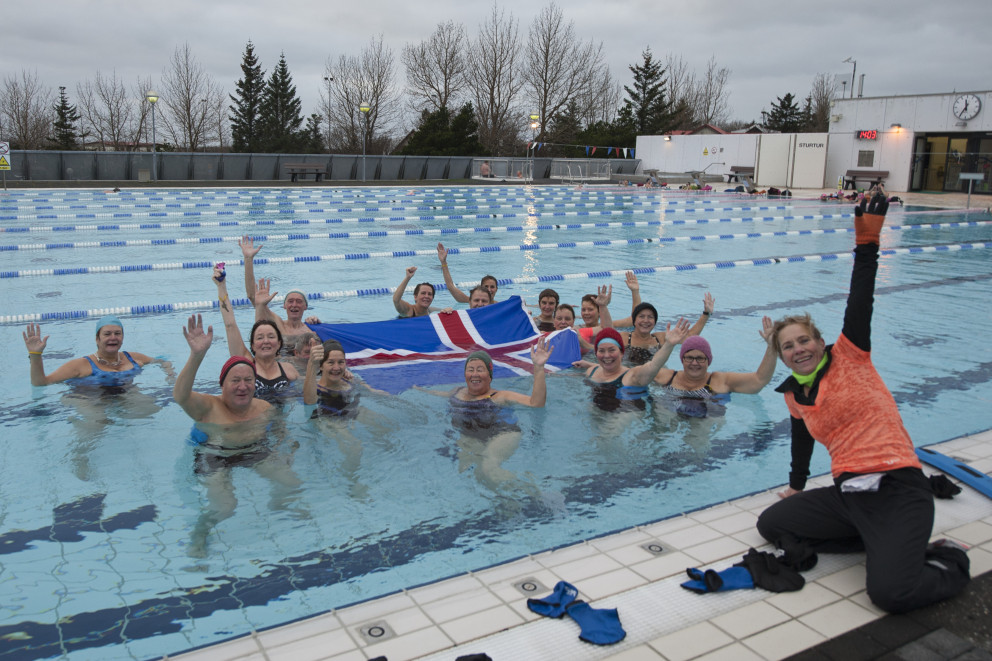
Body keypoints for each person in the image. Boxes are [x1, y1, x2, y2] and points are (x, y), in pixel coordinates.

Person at [756, 193, 970, 614]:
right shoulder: (794, 395)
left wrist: (867, 244)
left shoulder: (851, 355)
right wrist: (797, 486)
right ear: (781, 355)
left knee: (891, 594)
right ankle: (879, 539)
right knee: (772, 523)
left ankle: (951, 558)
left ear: (820, 341)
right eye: (788, 346)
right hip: (849, 494)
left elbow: (861, 298)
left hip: (898, 486)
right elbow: (802, 442)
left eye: (804, 340)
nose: (798, 349)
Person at [173, 314, 302, 557]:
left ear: (255, 384)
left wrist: (284, 450)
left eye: (248, 381)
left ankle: (278, 503)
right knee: (225, 507)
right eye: (235, 381)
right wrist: (197, 355)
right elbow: (180, 396)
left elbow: (279, 430)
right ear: (222, 384)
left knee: (291, 483)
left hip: (253, 450)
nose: (242, 386)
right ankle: (201, 532)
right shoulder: (208, 407)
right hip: (215, 455)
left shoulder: (264, 408)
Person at [652, 319, 778, 418]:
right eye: (689, 358)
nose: (694, 363)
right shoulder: (667, 377)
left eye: (700, 358)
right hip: (671, 413)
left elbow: (759, 380)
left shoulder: (720, 380)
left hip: (706, 418)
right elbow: (638, 373)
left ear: (708, 361)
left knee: (699, 437)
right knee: (661, 414)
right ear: (682, 360)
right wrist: (668, 345)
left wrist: (772, 347)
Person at [215, 268, 299, 400]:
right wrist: (221, 286)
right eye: (260, 338)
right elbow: (230, 324)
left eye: (271, 337)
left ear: (279, 344)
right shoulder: (246, 365)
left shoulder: (289, 370)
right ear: (253, 346)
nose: (266, 341)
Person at [23, 316, 167, 386]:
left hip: (123, 398)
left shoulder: (133, 357)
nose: (113, 338)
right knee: (96, 422)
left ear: (122, 337)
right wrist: (35, 355)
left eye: (117, 333)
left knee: (149, 408)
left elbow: (162, 361)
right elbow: (40, 383)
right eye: (107, 334)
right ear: (97, 339)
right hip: (88, 399)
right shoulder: (80, 365)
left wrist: (171, 378)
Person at [583, 320, 691, 411]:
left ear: (621, 353)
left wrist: (669, 345)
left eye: (612, 350)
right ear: (596, 353)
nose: (606, 356)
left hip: (627, 413)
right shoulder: (591, 371)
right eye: (601, 351)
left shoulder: (632, 376)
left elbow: (653, 366)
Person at [240, 236, 320, 351]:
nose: (294, 305)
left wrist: (317, 323)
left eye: (299, 301)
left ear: (305, 306)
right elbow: (253, 298)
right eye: (290, 301)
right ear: (284, 306)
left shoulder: (311, 329)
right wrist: (248, 259)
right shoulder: (277, 324)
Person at [622, 272, 714, 365]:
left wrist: (706, 314)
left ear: (655, 322)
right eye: (641, 317)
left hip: (657, 376)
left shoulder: (660, 339)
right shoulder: (624, 338)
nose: (646, 321)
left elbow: (690, 336)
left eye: (650, 317)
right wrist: (635, 292)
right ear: (634, 321)